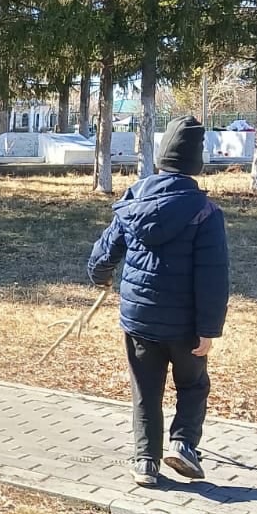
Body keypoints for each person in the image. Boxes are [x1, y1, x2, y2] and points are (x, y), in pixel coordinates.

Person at [86, 115, 229, 488]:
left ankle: (145, 462)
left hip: (140, 321)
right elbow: (214, 277)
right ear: (195, 163)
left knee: (146, 390)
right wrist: (209, 330)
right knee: (193, 385)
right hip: (186, 326)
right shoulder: (206, 213)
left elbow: (105, 252)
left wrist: (100, 277)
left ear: (162, 158)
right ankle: (183, 444)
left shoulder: (134, 199)